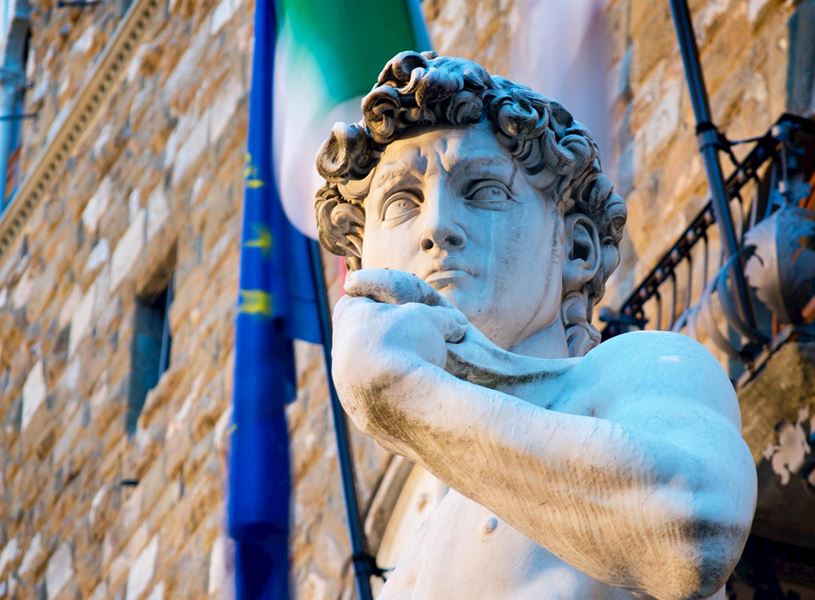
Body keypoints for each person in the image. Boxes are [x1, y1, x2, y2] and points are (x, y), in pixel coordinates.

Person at [313, 51, 756, 599]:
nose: (437, 227)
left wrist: (412, 399)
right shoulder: (406, 573)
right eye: (403, 202)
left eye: (484, 191)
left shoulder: (634, 375)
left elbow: (697, 530)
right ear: (361, 268)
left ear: (575, 247)